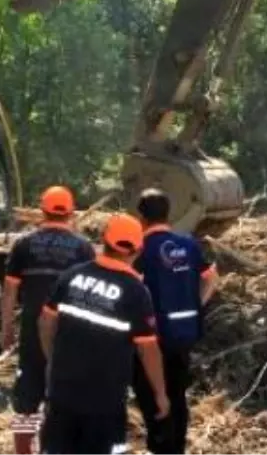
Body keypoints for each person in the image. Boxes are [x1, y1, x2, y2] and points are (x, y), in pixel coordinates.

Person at [38, 214, 170, 455]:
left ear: (103, 241)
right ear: (137, 250)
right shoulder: (136, 292)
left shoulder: (72, 275)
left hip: (62, 391)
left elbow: (46, 322)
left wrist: (52, 360)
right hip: (104, 401)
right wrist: (160, 394)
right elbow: (148, 349)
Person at [1, 185, 95, 455]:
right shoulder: (83, 248)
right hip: (69, 335)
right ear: (71, 214)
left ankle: (24, 453)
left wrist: (6, 329)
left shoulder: (24, 244)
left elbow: (10, 292)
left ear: (41, 212)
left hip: (32, 331)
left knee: (27, 398)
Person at [129, 188, 219, 455]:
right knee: (177, 395)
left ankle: (161, 447)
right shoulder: (189, 244)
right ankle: (177, 448)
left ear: (141, 217)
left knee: (153, 395)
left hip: (153, 337)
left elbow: (130, 285)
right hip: (185, 333)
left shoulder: (141, 250)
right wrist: (196, 304)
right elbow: (212, 277)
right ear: (168, 213)